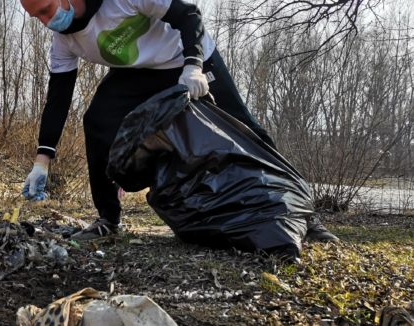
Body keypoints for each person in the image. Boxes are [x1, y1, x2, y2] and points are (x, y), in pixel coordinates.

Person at [19, 0, 339, 242]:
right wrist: (42, 160)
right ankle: (108, 220)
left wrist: (193, 66)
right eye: (38, 17)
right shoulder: (64, 40)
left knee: (245, 127)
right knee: (97, 122)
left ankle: (303, 215)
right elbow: (58, 99)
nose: (48, 22)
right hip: (135, 74)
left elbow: (189, 15)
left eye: (47, 10)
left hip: (186, 56)